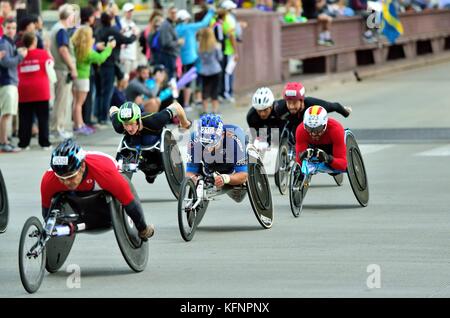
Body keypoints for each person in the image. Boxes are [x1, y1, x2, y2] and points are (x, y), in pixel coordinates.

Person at [41, 138, 155, 240]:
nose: (66, 182)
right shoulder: (49, 179)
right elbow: (46, 212)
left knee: (120, 194)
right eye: (61, 178)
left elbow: (130, 202)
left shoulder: (105, 173)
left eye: (71, 176)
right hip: (76, 200)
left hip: (103, 189)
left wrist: (143, 229)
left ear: (82, 166)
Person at [109, 101, 191, 184]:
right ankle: (148, 172)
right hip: (136, 148)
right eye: (125, 124)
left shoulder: (154, 121)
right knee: (133, 141)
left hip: (156, 145)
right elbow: (113, 108)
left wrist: (185, 123)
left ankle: (151, 170)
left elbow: (176, 106)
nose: (129, 128)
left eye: (131, 123)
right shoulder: (119, 125)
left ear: (138, 118)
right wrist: (122, 113)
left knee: (147, 140)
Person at [186, 113, 248, 199]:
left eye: (212, 143)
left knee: (238, 196)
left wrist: (226, 178)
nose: (208, 148)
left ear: (222, 135)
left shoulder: (234, 137)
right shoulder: (194, 139)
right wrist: (194, 179)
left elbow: (243, 175)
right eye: (204, 143)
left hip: (232, 164)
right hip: (211, 166)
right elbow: (190, 172)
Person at [71, 26, 115, 135]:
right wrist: (109, 48)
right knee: (79, 103)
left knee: (76, 103)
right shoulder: (87, 52)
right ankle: (79, 125)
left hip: (75, 77)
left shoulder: (75, 47)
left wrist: (95, 46)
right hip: (83, 78)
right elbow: (100, 58)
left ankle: (78, 124)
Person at [17, 31, 52, 150]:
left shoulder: (19, 54)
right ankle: (44, 142)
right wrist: (48, 50)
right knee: (43, 118)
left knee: (24, 118)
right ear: (34, 41)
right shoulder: (43, 54)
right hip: (41, 90)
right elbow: (50, 65)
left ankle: (23, 143)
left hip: (23, 90)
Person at [49, 4, 78, 140]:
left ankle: (58, 128)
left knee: (60, 100)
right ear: (69, 16)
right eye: (73, 14)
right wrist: (73, 68)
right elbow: (63, 50)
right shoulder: (61, 30)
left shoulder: (56, 28)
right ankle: (56, 129)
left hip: (59, 68)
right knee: (61, 100)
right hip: (62, 70)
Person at [0, 17, 27, 153]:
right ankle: (4, 142)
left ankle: (5, 141)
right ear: (3, 28)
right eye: (8, 28)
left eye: (13, 28)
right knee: (6, 114)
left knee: (8, 113)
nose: (11, 30)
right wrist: (20, 56)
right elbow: (5, 62)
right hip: (7, 82)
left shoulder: (10, 42)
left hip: (10, 81)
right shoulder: (4, 43)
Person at [295, 105, 347, 171]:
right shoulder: (301, 130)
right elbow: (299, 163)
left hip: (331, 149)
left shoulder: (336, 130)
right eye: (309, 128)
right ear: (305, 125)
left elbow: (343, 165)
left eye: (317, 129)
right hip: (312, 146)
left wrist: (328, 158)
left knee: (336, 169)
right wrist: (302, 156)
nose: (313, 133)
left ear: (325, 125)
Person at [198, 27, 222, 114]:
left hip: (204, 71)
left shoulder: (200, 46)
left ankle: (204, 110)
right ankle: (214, 110)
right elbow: (220, 57)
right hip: (215, 69)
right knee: (215, 90)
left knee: (205, 90)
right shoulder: (216, 46)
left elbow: (199, 58)